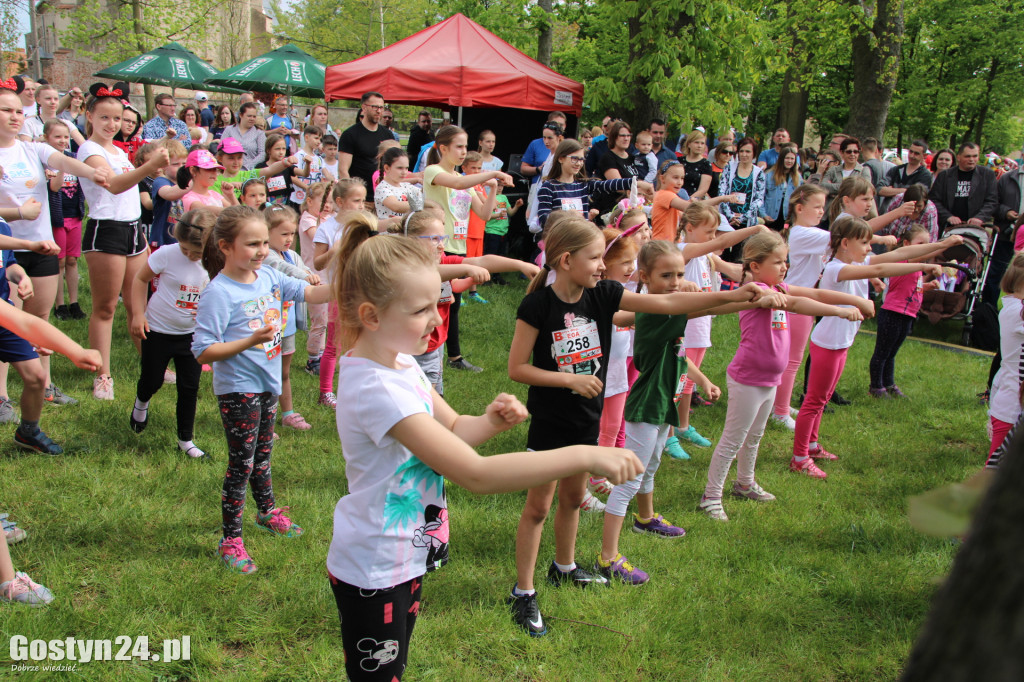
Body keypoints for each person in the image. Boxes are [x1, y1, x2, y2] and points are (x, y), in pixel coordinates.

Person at [326, 224, 641, 680]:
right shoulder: (378, 389)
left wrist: (491, 422)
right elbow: (475, 474)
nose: (437, 319)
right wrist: (584, 455)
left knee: (392, 666)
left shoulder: (398, 362)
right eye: (421, 310)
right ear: (371, 316)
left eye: (437, 303)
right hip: (374, 564)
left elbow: (453, 428)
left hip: (401, 553)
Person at [507, 218, 768, 633]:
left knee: (573, 500)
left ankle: (564, 566)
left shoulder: (605, 295)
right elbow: (517, 368)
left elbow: (666, 306)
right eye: (595, 258)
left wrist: (738, 296)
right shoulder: (537, 306)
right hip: (551, 423)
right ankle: (523, 592)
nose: (602, 266)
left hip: (586, 421)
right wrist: (568, 379)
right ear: (566, 260)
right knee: (539, 507)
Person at [192, 205, 331, 574]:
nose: (260, 251)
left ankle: (267, 512)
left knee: (263, 454)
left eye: (264, 243)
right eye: (251, 243)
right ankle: (231, 539)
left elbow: (311, 294)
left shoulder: (268, 276)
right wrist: (250, 340)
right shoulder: (218, 293)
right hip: (238, 389)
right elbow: (203, 350)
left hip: (268, 384)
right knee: (241, 463)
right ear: (225, 246)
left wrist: (356, 283)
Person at [698, 231, 865, 521]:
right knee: (733, 440)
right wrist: (837, 311)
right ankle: (711, 496)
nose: (784, 267)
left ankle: (744, 483)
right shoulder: (756, 291)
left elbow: (809, 295)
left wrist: (845, 305)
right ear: (754, 266)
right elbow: (798, 304)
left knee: (755, 437)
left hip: (769, 379)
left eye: (785, 261)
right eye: (777, 262)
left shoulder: (781, 288)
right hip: (748, 378)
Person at [792, 216, 948, 478]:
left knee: (824, 398)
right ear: (844, 243)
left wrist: (942, 245)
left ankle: (812, 445)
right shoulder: (836, 269)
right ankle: (799, 458)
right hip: (828, 345)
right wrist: (922, 265)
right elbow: (881, 270)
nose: (869, 248)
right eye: (864, 242)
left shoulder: (854, 262)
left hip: (840, 343)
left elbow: (900, 253)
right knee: (814, 401)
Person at [0, 77, 115, 403]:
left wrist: (90, 172)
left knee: (41, 318)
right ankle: (2, 396)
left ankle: (46, 385)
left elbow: (62, 160)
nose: (14, 116)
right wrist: (19, 212)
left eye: (18, 111)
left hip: (43, 246)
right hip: (7, 251)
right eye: (5, 110)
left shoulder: (32, 148)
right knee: (7, 323)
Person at [670, 205, 765, 460]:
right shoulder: (683, 251)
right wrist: (755, 228)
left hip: (701, 328)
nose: (714, 238)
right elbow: (724, 241)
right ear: (689, 228)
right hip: (684, 327)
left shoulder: (708, 257)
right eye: (709, 232)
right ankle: (667, 436)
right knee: (675, 381)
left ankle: (682, 426)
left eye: (715, 233)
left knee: (689, 382)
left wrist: (760, 278)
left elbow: (735, 271)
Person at [422, 125, 512, 371]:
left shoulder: (466, 181)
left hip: (458, 248)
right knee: (434, 301)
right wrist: (491, 174)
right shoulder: (433, 171)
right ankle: (428, 350)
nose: (464, 151)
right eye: (459, 147)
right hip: (438, 247)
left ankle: (452, 357)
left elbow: (484, 213)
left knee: (452, 303)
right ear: (443, 148)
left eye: (465, 146)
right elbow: (457, 184)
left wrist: (493, 187)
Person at [129, 208, 212, 458]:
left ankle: (186, 440)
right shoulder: (166, 254)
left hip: (192, 336)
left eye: (196, 252)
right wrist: (137, 313)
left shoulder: (215, 261)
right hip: (158, 330)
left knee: (189, 387)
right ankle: (141, 403)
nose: (189, 255)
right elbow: (139, 280)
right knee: (152, 379)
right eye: (185, 248)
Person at [867, 224, 948, 399]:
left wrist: (926, 286)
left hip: (908, 314)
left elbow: (909, 286)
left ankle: (888, 383)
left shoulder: (916, 266)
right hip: (892, 312)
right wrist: (945, 245)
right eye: (920, 243)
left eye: (927, 243)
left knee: (892, 352)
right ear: (906, 244)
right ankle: (876, 386)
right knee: (882, 351)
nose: (924, 247)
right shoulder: (903, 261)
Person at [262, 205, 319, 431]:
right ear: (266, 233)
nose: (289, 239)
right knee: (265, 372)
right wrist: (306, 276)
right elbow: (283, 269)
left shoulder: (293, 255)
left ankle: (287, 413)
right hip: (266, 327)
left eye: (292, 234)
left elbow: (301, 266)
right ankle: (263, 420)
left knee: (283, 372)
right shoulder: (265, 255)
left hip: (286, 326)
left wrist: (310, 276)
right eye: (283, 234)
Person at [312, 179, 368, 407]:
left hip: (364, 291)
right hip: (339, 292)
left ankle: (355, 390)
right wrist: (333, 252)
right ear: (339, 202)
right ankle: (325, 392)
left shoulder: (365, 225)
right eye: (357, 201)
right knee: (334, 344)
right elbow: (317, 264)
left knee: (361, 342)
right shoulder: (327, 228)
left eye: (363, 200)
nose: (362, 205)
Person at [930, 143, 1000, 302]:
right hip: (950, 228)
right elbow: (934, 200)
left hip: (975, 230)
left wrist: (980, 217)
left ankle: (965, 295)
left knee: (973, 261)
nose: (972, 159)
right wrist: (948, 216)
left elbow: (992, 201)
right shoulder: (945, 176)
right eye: (968, 156)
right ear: (959, 157)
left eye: (975, 156)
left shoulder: (986, 175)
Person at [535, 139, 638, 229]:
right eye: (574, 158)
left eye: (581, 159)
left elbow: (607, 185)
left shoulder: (583, 184)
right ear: (561, 158)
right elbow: (544, 219)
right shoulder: (548, 187)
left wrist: (634, 183)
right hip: (561, 241)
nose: (579, 163)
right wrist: (567, 216)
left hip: (581, 239)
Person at [44, 119, 85, 323]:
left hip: (75, 216)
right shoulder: (45, 162)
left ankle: (74, 302)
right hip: (57, 219)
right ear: (46, 139)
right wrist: (60, 166)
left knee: (72, 260)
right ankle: (59, 304)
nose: (62, 141)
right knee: (59, 260)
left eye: (65, 137)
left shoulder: (74, 158)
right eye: (57, 137)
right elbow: (54, 187)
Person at [988, 254, 1024, 458]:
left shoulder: (1013, 306)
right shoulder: (1018, 311)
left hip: (1011, 399)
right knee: (997, 470)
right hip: (1012, 405)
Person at [298, 181, 331, 376]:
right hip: (315, 278)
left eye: (330, 201)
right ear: (309, 201)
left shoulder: (330, 218)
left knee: (328, 319)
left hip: (330, 276)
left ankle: (324, 354)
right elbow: (317, 237)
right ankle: (312, 359)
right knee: (319, 320)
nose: (327, 205)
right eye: (323, 201)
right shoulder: (308, 220)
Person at [338, 92, 395, 189]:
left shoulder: (388, 134)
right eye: (375, 107)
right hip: (361, 195)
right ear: (364, 108)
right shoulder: (350, 134)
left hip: (384, 194)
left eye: (381, 107)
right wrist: (352, 193)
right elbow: (343, 170)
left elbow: (394, 164)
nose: (379, 111)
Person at [149, 140, 189, 249]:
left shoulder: (189, 183)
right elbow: (169, 193)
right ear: (163, 166)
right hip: (162, 240)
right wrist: (193, 182)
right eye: (176, 164)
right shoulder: (160, 181)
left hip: (181, 240)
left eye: (184, 164)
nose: (181, 167)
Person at [719, 137, 766, 230]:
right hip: (727, 219)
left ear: (754, 153)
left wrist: (742, 218)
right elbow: (722, 193)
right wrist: (731, 216)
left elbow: (758, 199)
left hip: (747, 222)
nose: (744, 154)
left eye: (748, 152)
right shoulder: (729, 168)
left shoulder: (759, 173)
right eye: (741, 151)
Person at [879, 140, 933, 210]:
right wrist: (905, 190)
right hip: (886, 212)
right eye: (911, 152)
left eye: (916, 153)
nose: (912, 155)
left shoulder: (925, 176)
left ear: (924, 156)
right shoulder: (895, 170)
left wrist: (891, 191)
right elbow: (879, 189)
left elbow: (916, 196)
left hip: (907, 216)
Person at [374, 147, 422, 224]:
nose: (404, 172)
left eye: (406, 168)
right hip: (390, 233)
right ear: (387, 168)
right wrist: (422, 203)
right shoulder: (382, 188)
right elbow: (396, 206)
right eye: (400, 168)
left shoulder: (406, 186)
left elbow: (424, 194)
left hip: (405, 232)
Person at [180, 148, 236, 213]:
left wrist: (231, 195)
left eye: (215, 169)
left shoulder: (215, 194)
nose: (214, 173)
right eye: (208, 169)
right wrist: (232, 211)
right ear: (192, 170)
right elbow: (205, 210)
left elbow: (237, 214)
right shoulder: (189, 198)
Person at [760, 145, 801, 231]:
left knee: (783, 240)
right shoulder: (769, 175)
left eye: (792, 159)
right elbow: (760, 197)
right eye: (787, 158)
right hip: (770, 218)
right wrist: (763, 214)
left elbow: (799, 199)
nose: (789, 161)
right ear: (781, 159)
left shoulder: (798, 178)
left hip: (787, 218)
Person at [522, 112, 568, 184]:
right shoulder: (535, 144)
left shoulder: (568, 147)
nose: (546, 141)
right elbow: (523, 168)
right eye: (555, 124)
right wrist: (538, 169)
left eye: (561, 125)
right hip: (538, 185)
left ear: (565, 126)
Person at [220, 103, 267, 170]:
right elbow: (221, 148)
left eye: (254, 116)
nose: (252, 119)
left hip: (250, 170)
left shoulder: (259, 133)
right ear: (241, 115)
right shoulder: (229, 130)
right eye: (249, 116)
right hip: (229, 169)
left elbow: (263, 153)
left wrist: (249, 165)